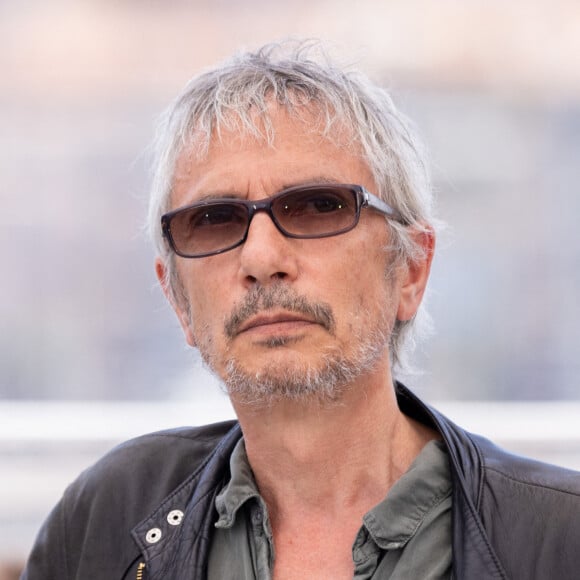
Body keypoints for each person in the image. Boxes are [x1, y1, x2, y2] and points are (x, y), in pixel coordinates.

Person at [22, 40, 580, 580]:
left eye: (318, 206)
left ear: (410, 270)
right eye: (215, 219)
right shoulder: (104, 522)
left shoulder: (561, 538)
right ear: (177, 300)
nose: (262, 258)